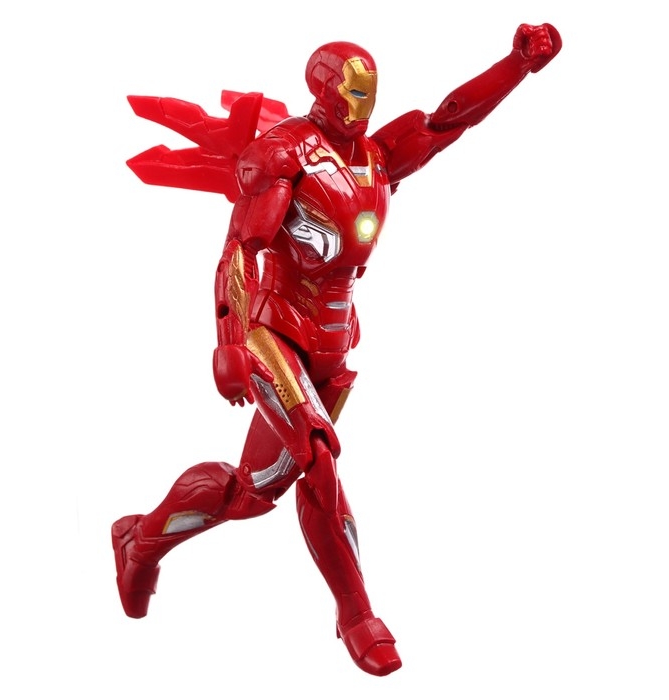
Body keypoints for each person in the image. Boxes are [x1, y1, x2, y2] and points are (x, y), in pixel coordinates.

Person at [113, 25, 561, 676]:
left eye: (369, 91)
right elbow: (240, 247)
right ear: (322, 90)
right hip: (274, 335)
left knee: (251, 492)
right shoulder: (284, 155)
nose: (363, 103)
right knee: (318, 459)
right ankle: (357, 614)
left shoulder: (376, 158)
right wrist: (228, 342)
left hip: (333, 343)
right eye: (352, 91)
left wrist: (516, 65)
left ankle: (141, 539)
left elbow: (449, 119)